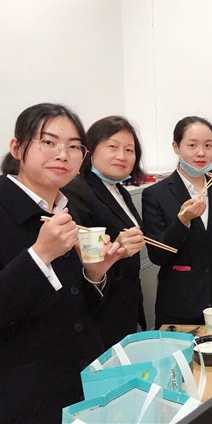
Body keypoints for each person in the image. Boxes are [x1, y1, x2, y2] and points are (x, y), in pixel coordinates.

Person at [0, 103, 125, 423]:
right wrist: (39, 256)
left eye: (74, 147)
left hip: (80, 384)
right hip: (21, 397)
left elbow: (71, 306)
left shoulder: (66, 209)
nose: (63, 155)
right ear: (17, 148)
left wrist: (94, 275)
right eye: (48, 142)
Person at [141, 116, 212, 328]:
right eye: (192, 145)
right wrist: (183, 221)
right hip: (178, 305)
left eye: (208, 145)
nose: (201, 153)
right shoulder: (156, 194)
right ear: (176, 146)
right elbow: (157, 255)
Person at [62, 116, 147, 348]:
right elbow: (80, 263)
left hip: (125, 308)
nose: (122, 156)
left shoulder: (120, 191)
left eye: (129, 150)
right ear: (90, 150)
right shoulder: (78, 193)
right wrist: (118, 249)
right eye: (113, 147)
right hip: (99, 316)